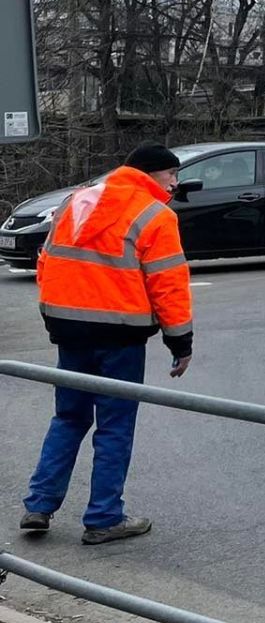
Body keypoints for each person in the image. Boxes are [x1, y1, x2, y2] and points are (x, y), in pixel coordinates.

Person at [19, 143, 195, 545]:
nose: (175, 184)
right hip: (120, 334)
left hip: (69, 328)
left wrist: (52, 315)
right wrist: (180, 341)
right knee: (115, 426)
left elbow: (47, 261)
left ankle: (39, 505)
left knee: (68, 417)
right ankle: (103, 517)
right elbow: (168, 283)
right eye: (171, 176)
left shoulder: (76, 201)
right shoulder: (155, 214)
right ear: (152, 174)